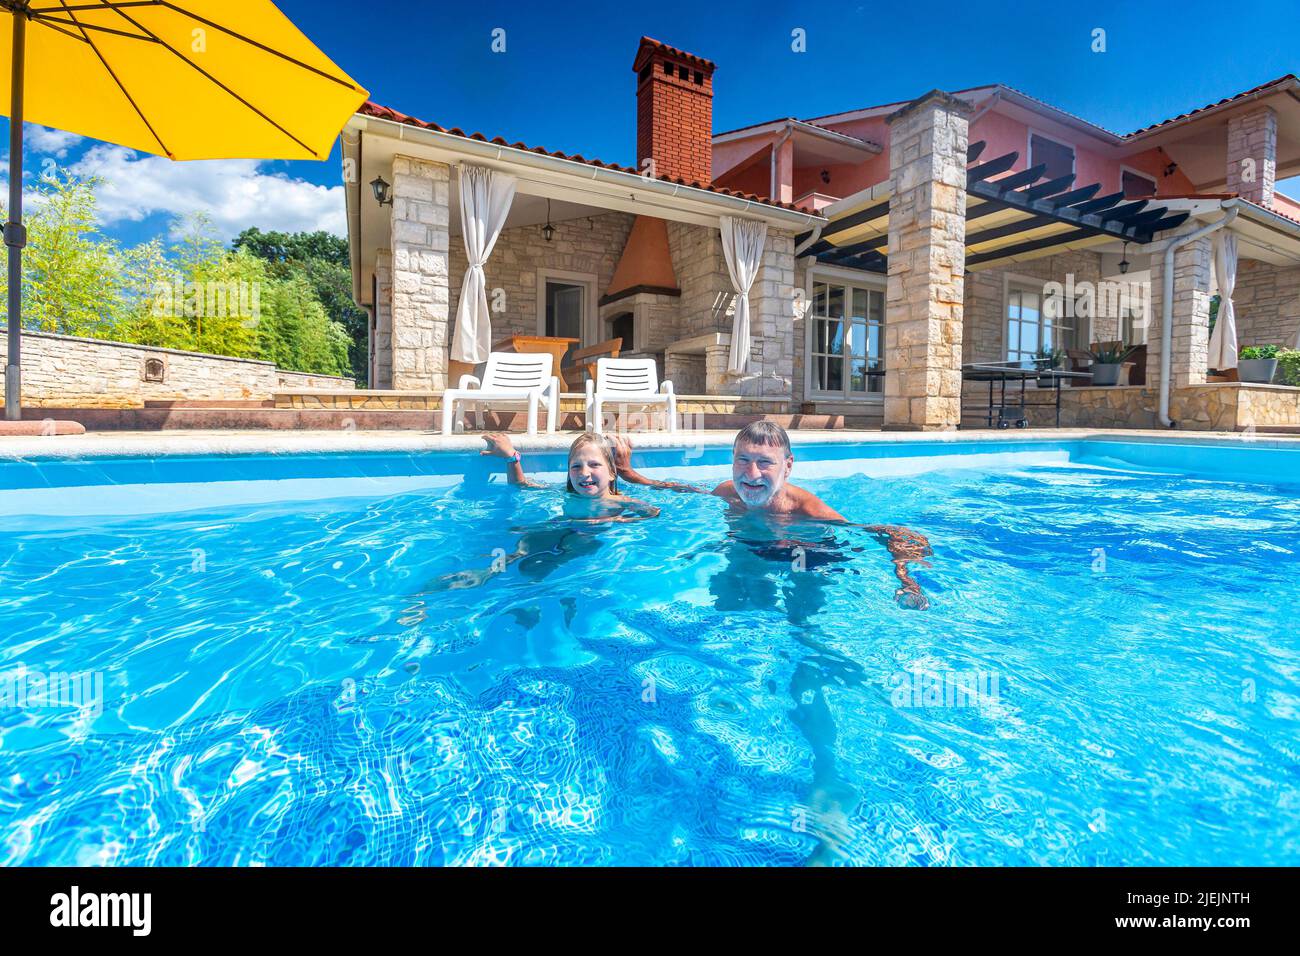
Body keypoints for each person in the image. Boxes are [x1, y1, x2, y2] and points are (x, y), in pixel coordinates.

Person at [610, 421, 933, 609]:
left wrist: (908, 580)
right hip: (754, 546)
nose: (751, 473)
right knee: (726, 599)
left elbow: (894, 533)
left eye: (765, 462)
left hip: (808, 555)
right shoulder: (729, 492)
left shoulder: (807, 511)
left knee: (800, 613)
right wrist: (631, 475)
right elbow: (685, 491)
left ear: (788, 466)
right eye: (742, 460)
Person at [428, 432, 659, 591]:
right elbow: (522, 485)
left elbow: (652, 512)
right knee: (518, 552)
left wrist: (617, 518)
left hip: (586, 537)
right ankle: (472, 578)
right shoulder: (567, 494)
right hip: (558, 526)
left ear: (611, 473)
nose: (584, 473)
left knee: (540, 565)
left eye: (594, 465)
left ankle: (530, 594)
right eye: (576, 467)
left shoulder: (621, 501)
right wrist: (512, 457)